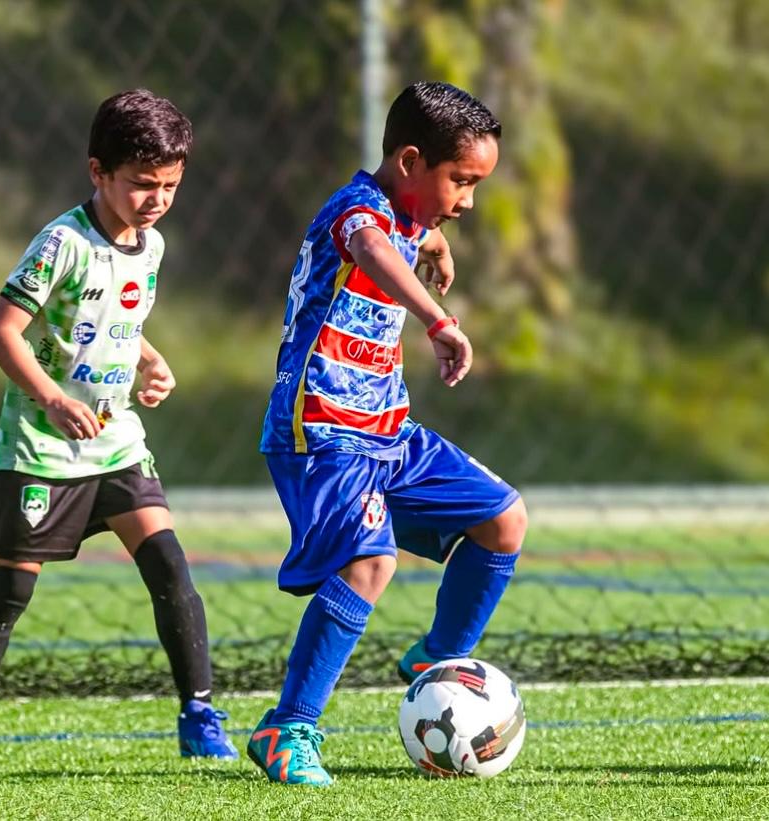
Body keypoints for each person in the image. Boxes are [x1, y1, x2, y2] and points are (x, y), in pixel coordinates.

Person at [0, 89, 237, 764]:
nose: (157, 199)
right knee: (13, 587)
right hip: (42, 447)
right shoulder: (62, 243)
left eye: (170, 186)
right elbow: (2, 333)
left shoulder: (152, 247)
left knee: (171, 567)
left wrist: (150, 359)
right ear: (98, 172)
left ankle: (199, 715)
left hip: (116, 439)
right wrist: (54, 398)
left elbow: (122, 320)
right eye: (142, 184)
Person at [247, 81, 527, 785]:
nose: (467, 201)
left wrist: (432, 238)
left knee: (504, 520)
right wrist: (436, 317)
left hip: (388, 431)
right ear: (409, 161)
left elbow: (406, 231)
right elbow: (370, 245)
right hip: (322, 429)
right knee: (370, 564)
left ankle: (437, 663)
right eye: (461, 181)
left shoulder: (406, 215)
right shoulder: (356, 211)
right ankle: (287, 729)